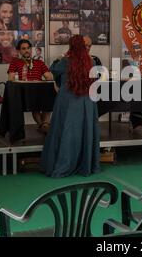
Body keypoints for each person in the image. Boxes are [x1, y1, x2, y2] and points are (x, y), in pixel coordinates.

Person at [40, 35, 100, 178]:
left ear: (71, 46)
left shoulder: (65, 61)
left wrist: (58, 58)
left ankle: (63, 163)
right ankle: (85, 164)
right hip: (87, 101)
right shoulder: (91, 61)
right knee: (85, 132)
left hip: (67, 101)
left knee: (65, 132)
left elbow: (52, 72)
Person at [7, 39, 53, 134]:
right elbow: (11, 78)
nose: (27, 50)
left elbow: (49, 77)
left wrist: (49, 75)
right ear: (19, 51)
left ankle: (43, 125)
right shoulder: (15, 62)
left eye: (28, 48)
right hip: (24, 92)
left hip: (39, 90)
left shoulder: (39, 62)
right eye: (23, 49)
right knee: (35, 103)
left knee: (49, 96)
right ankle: (45, 126)